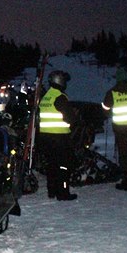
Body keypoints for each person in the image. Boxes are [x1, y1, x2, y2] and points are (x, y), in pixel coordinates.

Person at [37, 70, 77, 200]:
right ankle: (63, 192)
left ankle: (52, 191)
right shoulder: (59, 97)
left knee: (51, 165)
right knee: (64, 166)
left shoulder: (46, 97)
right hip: (60, 137)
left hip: (46, 137)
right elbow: (70, 118)